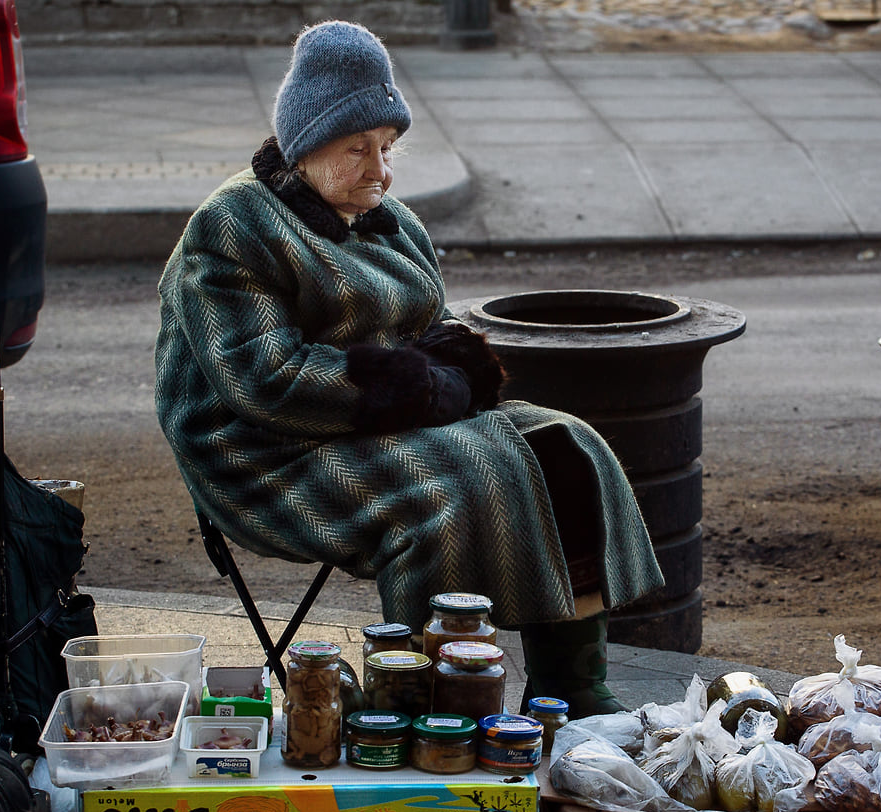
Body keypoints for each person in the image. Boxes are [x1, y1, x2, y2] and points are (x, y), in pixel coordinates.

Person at [154, 20, 664, 719]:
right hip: (261, 448)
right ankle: (425, 702)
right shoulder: (234, 226)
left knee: (567, 446)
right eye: (356, 149)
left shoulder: (385, 217)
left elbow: (432, 328)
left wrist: (450, 372)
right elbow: (263, 380)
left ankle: (571, 686)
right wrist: (416, 386)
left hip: (378, 421)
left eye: (387, 148)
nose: (379, 171)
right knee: (446, 490)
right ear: (303, 150)